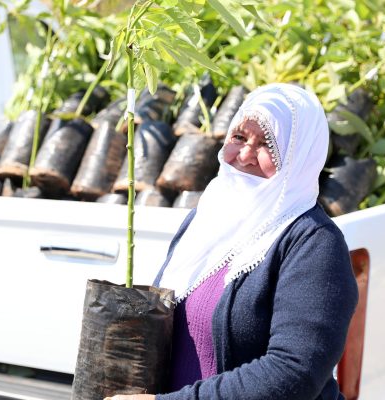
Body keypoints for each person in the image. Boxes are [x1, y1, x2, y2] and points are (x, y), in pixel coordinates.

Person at [107, 83, 359, 400]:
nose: (244, 154)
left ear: (300, 157)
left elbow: (294, 372)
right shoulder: (206, 219)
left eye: (269, 145)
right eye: (238, 137)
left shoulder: (313, 243)